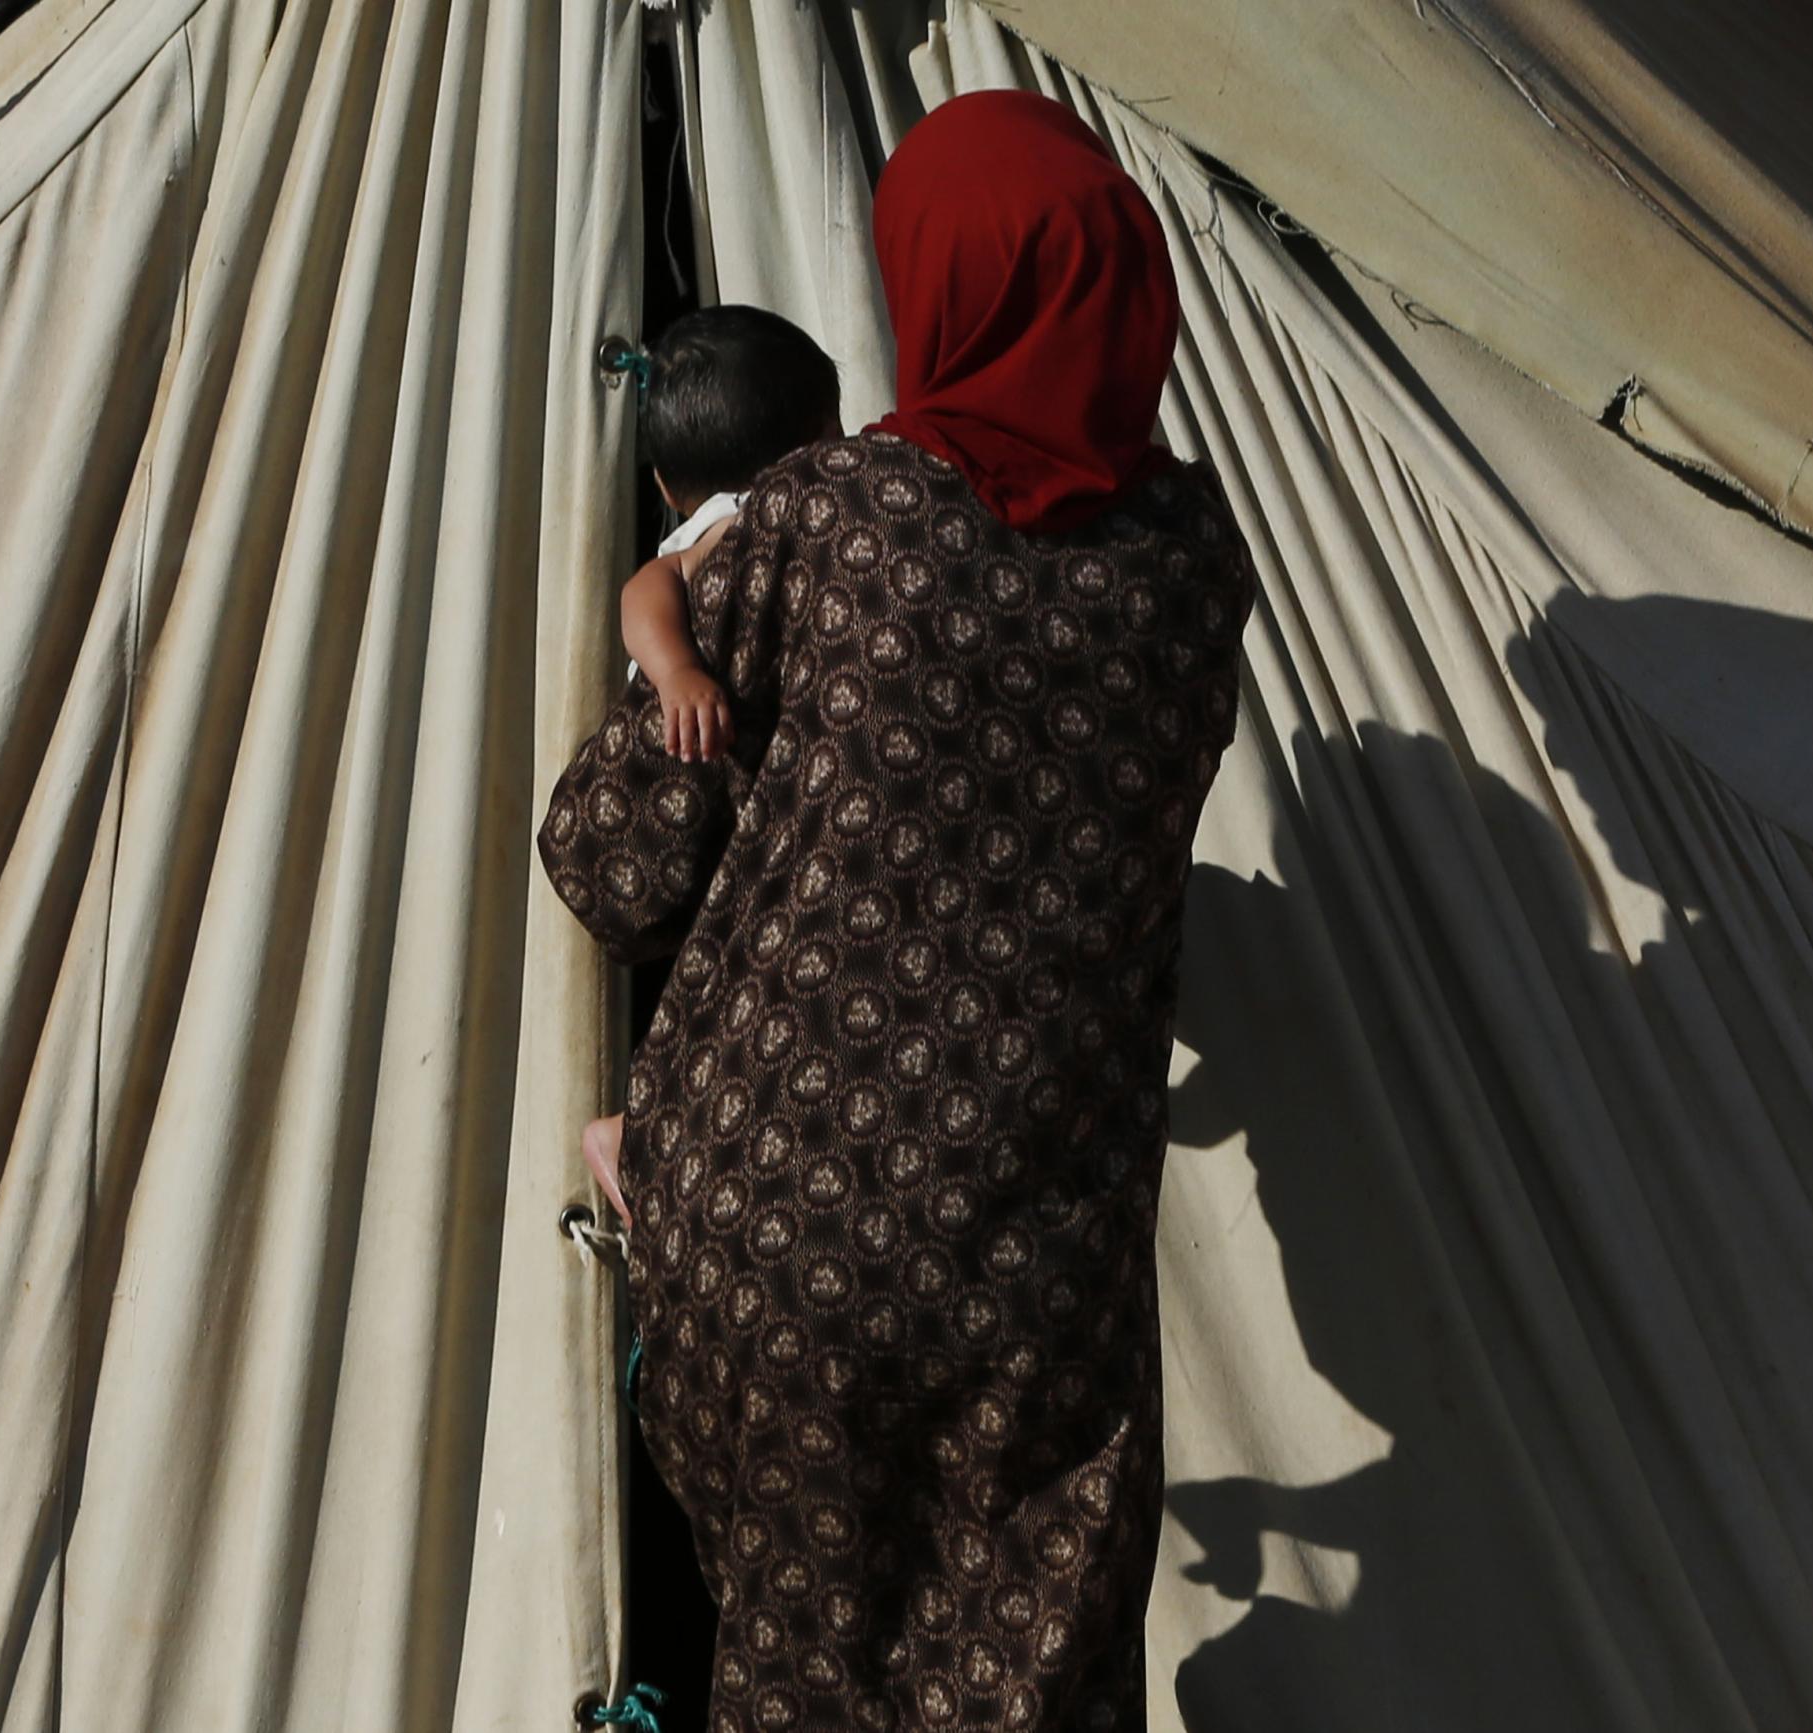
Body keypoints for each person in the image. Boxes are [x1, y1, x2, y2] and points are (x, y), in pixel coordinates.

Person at [538, 88, 1255, 1733]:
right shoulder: (1191, 563)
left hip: (782, 1219)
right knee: (1024, 1677)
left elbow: (617, 868)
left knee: (801, 1668)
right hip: (1041, 1246)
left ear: (933, 285)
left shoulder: (825, 520)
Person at [579, 304, 844, 1226]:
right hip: (694, 786)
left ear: (660, 477)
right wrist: (677, 669)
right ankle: (628, 1134)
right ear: (819, 436)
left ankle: (639, 1131)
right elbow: (649, 586)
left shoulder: (750, 513)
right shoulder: (742, 521)